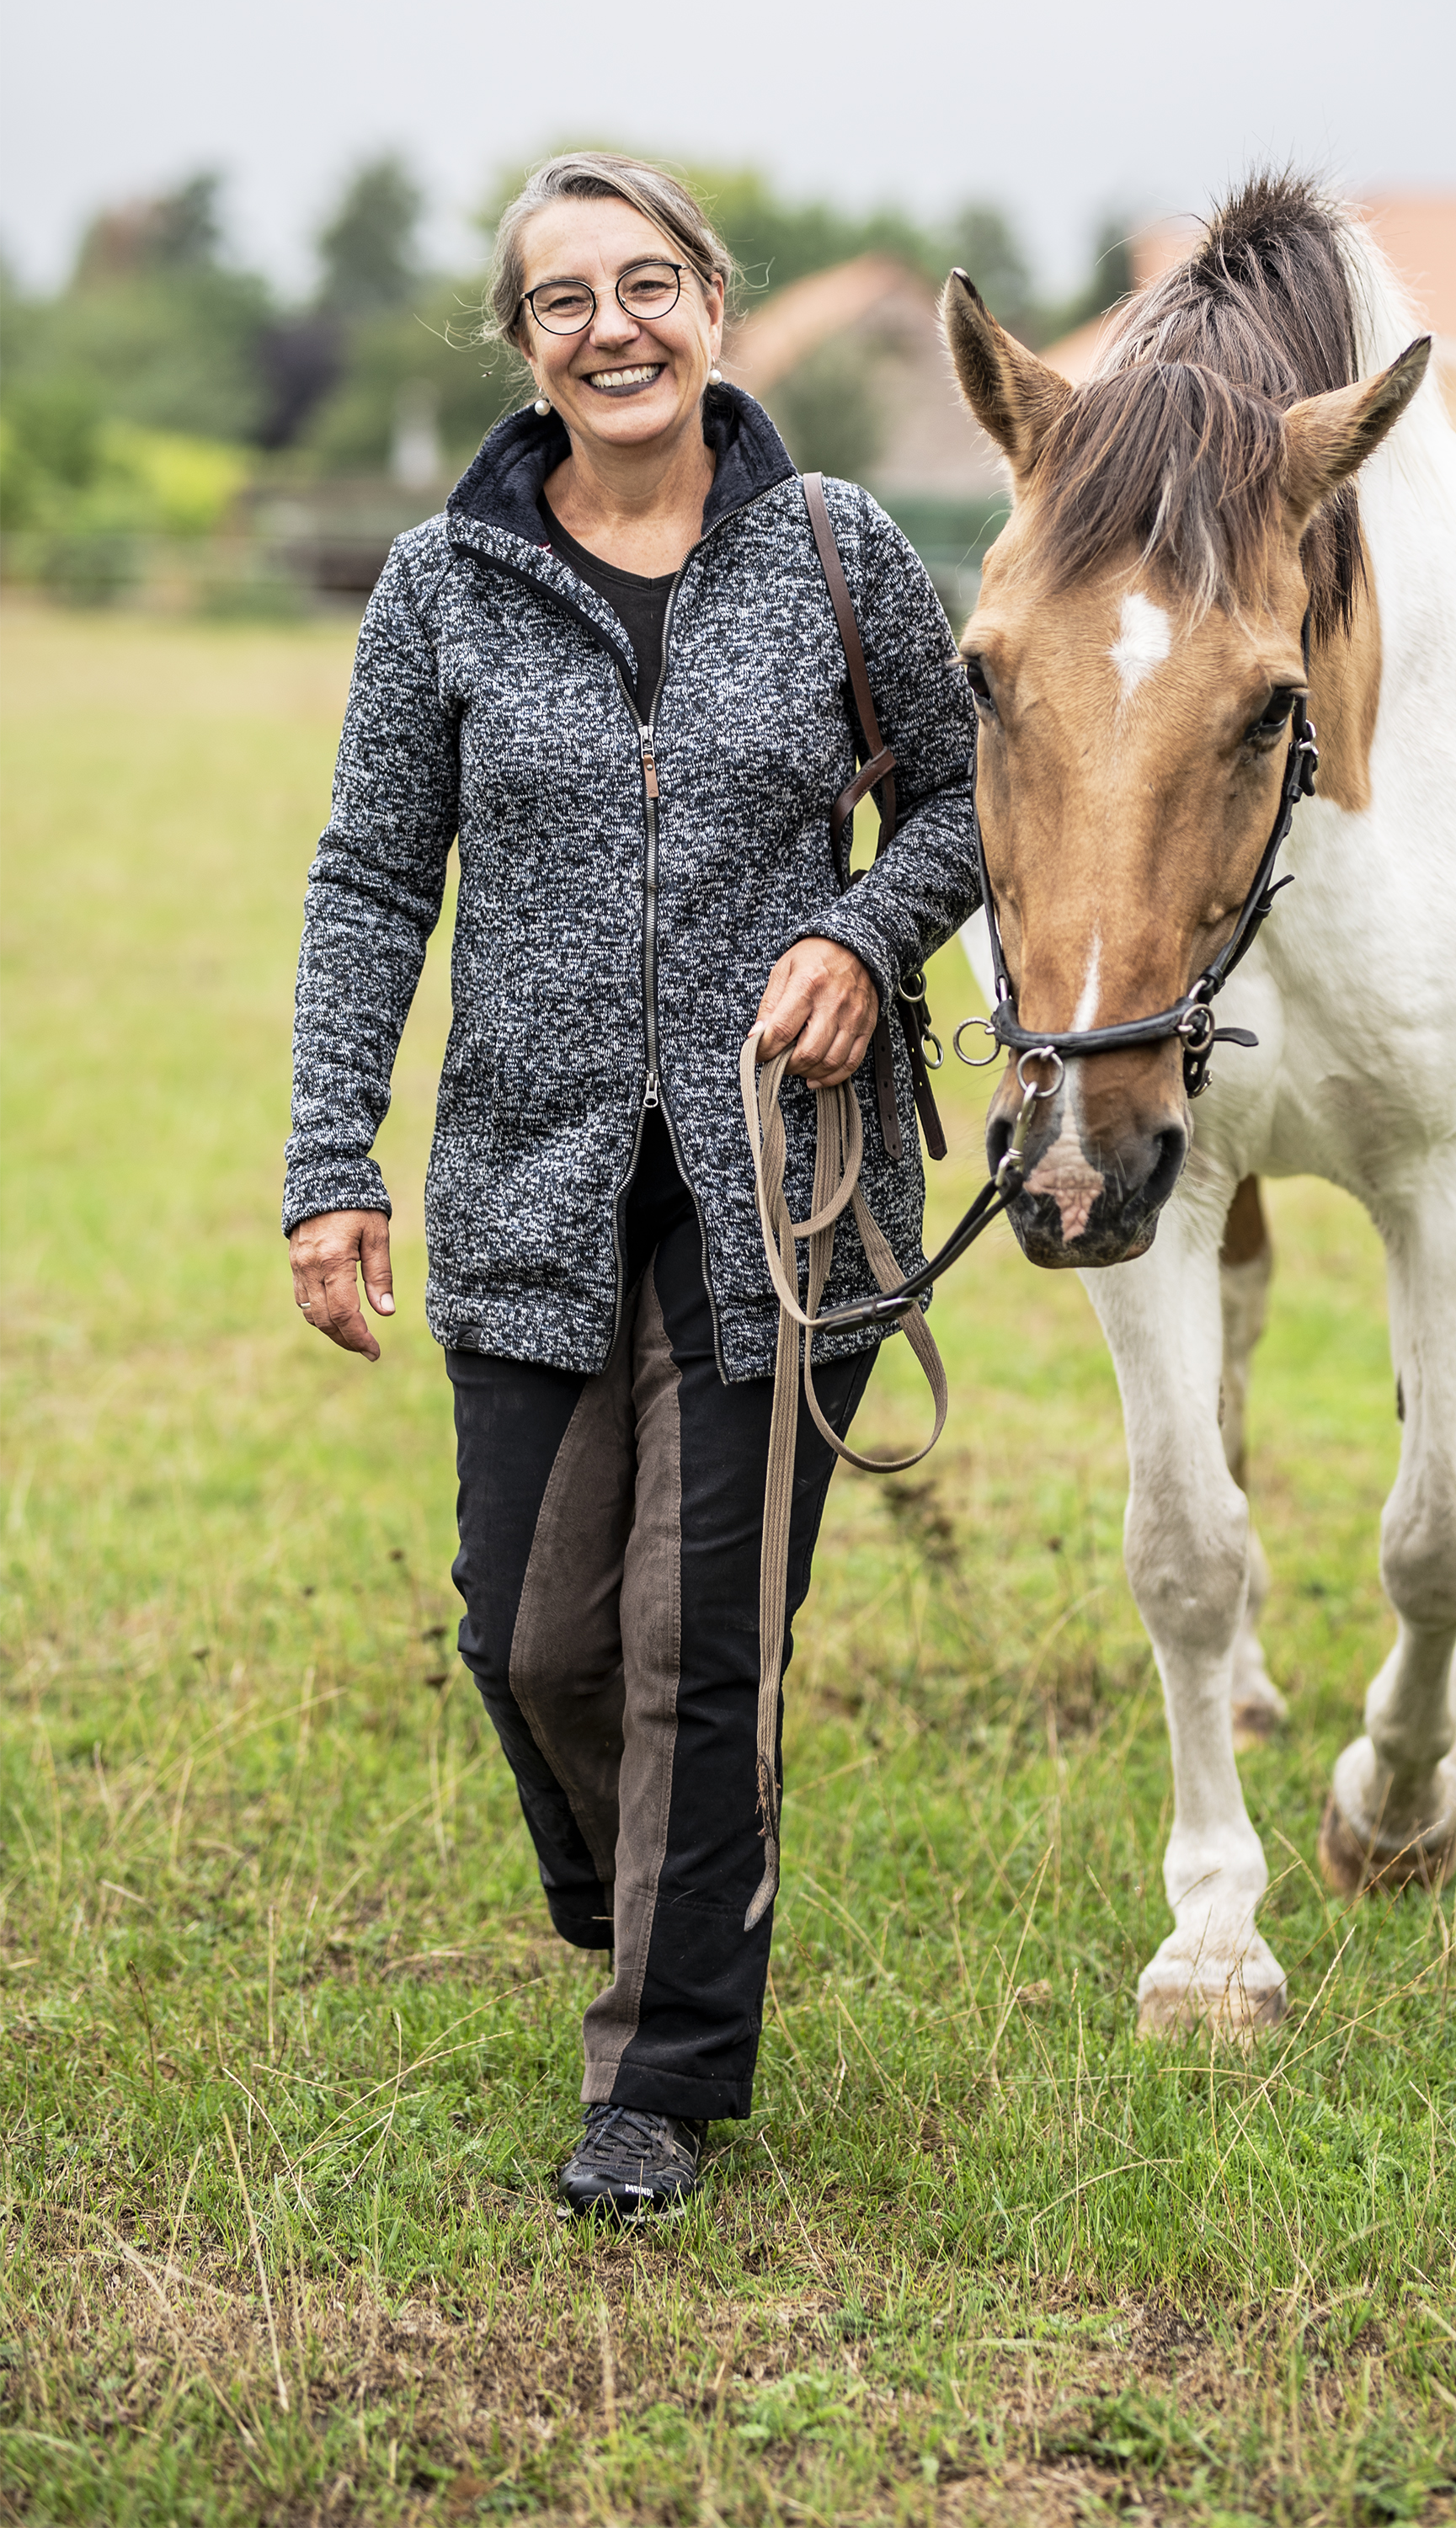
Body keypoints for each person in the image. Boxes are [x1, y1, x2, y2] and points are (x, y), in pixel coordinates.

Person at [284, 152, 979, 2216]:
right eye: (567, 297)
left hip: (787, 1186)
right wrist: (334, 1158)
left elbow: (964, 799)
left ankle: (657, 2081)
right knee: (530, 1639)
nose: (615, 325)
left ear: (715, 307)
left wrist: (864, 938)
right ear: (523, 346)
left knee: (694, 1649)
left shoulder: (843, 552)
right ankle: (661, 1899)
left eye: (649, 283)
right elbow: (366, 884)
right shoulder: (440, 586)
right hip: (526, 1174)